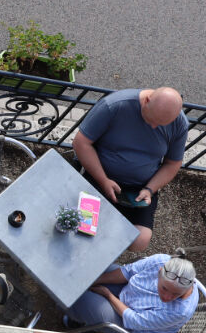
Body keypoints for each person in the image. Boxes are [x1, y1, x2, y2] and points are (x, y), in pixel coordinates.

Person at [72, 87, 188, 252]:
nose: (154, 126)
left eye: (161, 124)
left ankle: (103, 249)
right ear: (147, 101)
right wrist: (103, 180)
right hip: (99, 175)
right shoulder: (114, 105)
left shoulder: (179, 123)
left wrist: (150, 189)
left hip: (140, 188)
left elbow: (172, 163)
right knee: (84, 226)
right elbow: (81, 143)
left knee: (139, 241)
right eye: (152, 120)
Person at [65, 254, 198, 333]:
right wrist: (93, 280)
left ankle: (76, 316)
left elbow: (135, 320)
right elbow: (128, 271)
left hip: (133, 331)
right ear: (159, 272)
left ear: (189, 287)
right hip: (128, 294)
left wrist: (108, 295)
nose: (167, 297)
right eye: (164, 288)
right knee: (93, 270)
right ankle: (84, 314)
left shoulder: (180, 311)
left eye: (176, 294)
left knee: (83, 300)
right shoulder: (160, 261)